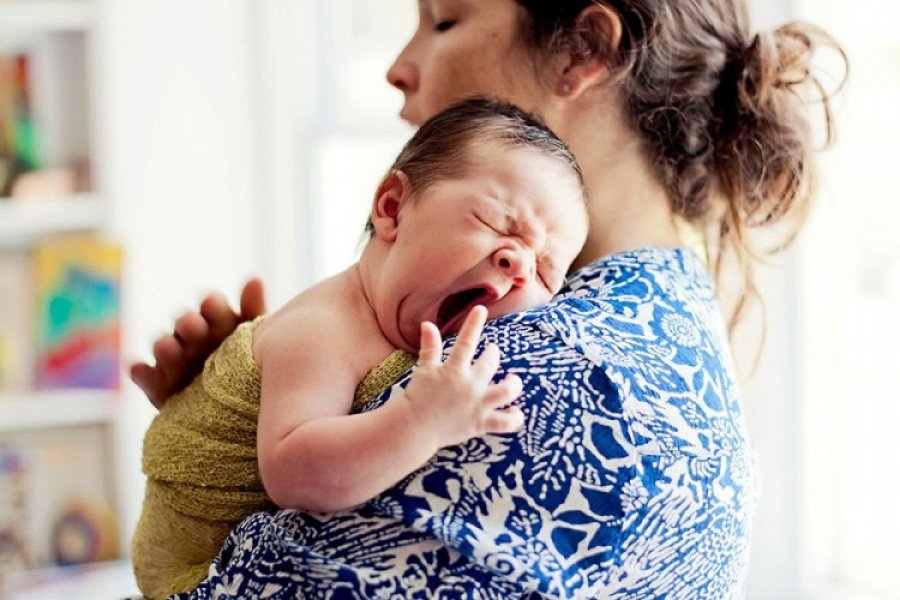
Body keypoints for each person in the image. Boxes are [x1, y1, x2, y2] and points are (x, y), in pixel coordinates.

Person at [131, 0, 845, 597]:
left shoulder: (554, 372)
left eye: (444, 21)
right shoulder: (660, 322)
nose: (397, 68)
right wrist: (225, 413)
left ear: (582, 51)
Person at [130, 98, 589, 599]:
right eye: (499, 223)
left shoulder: (414, 329)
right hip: (190, 573)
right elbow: (292, 471)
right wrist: (421, 421)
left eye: (546, 271)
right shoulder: (324, 330)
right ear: (393, 208)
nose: (519, 263)